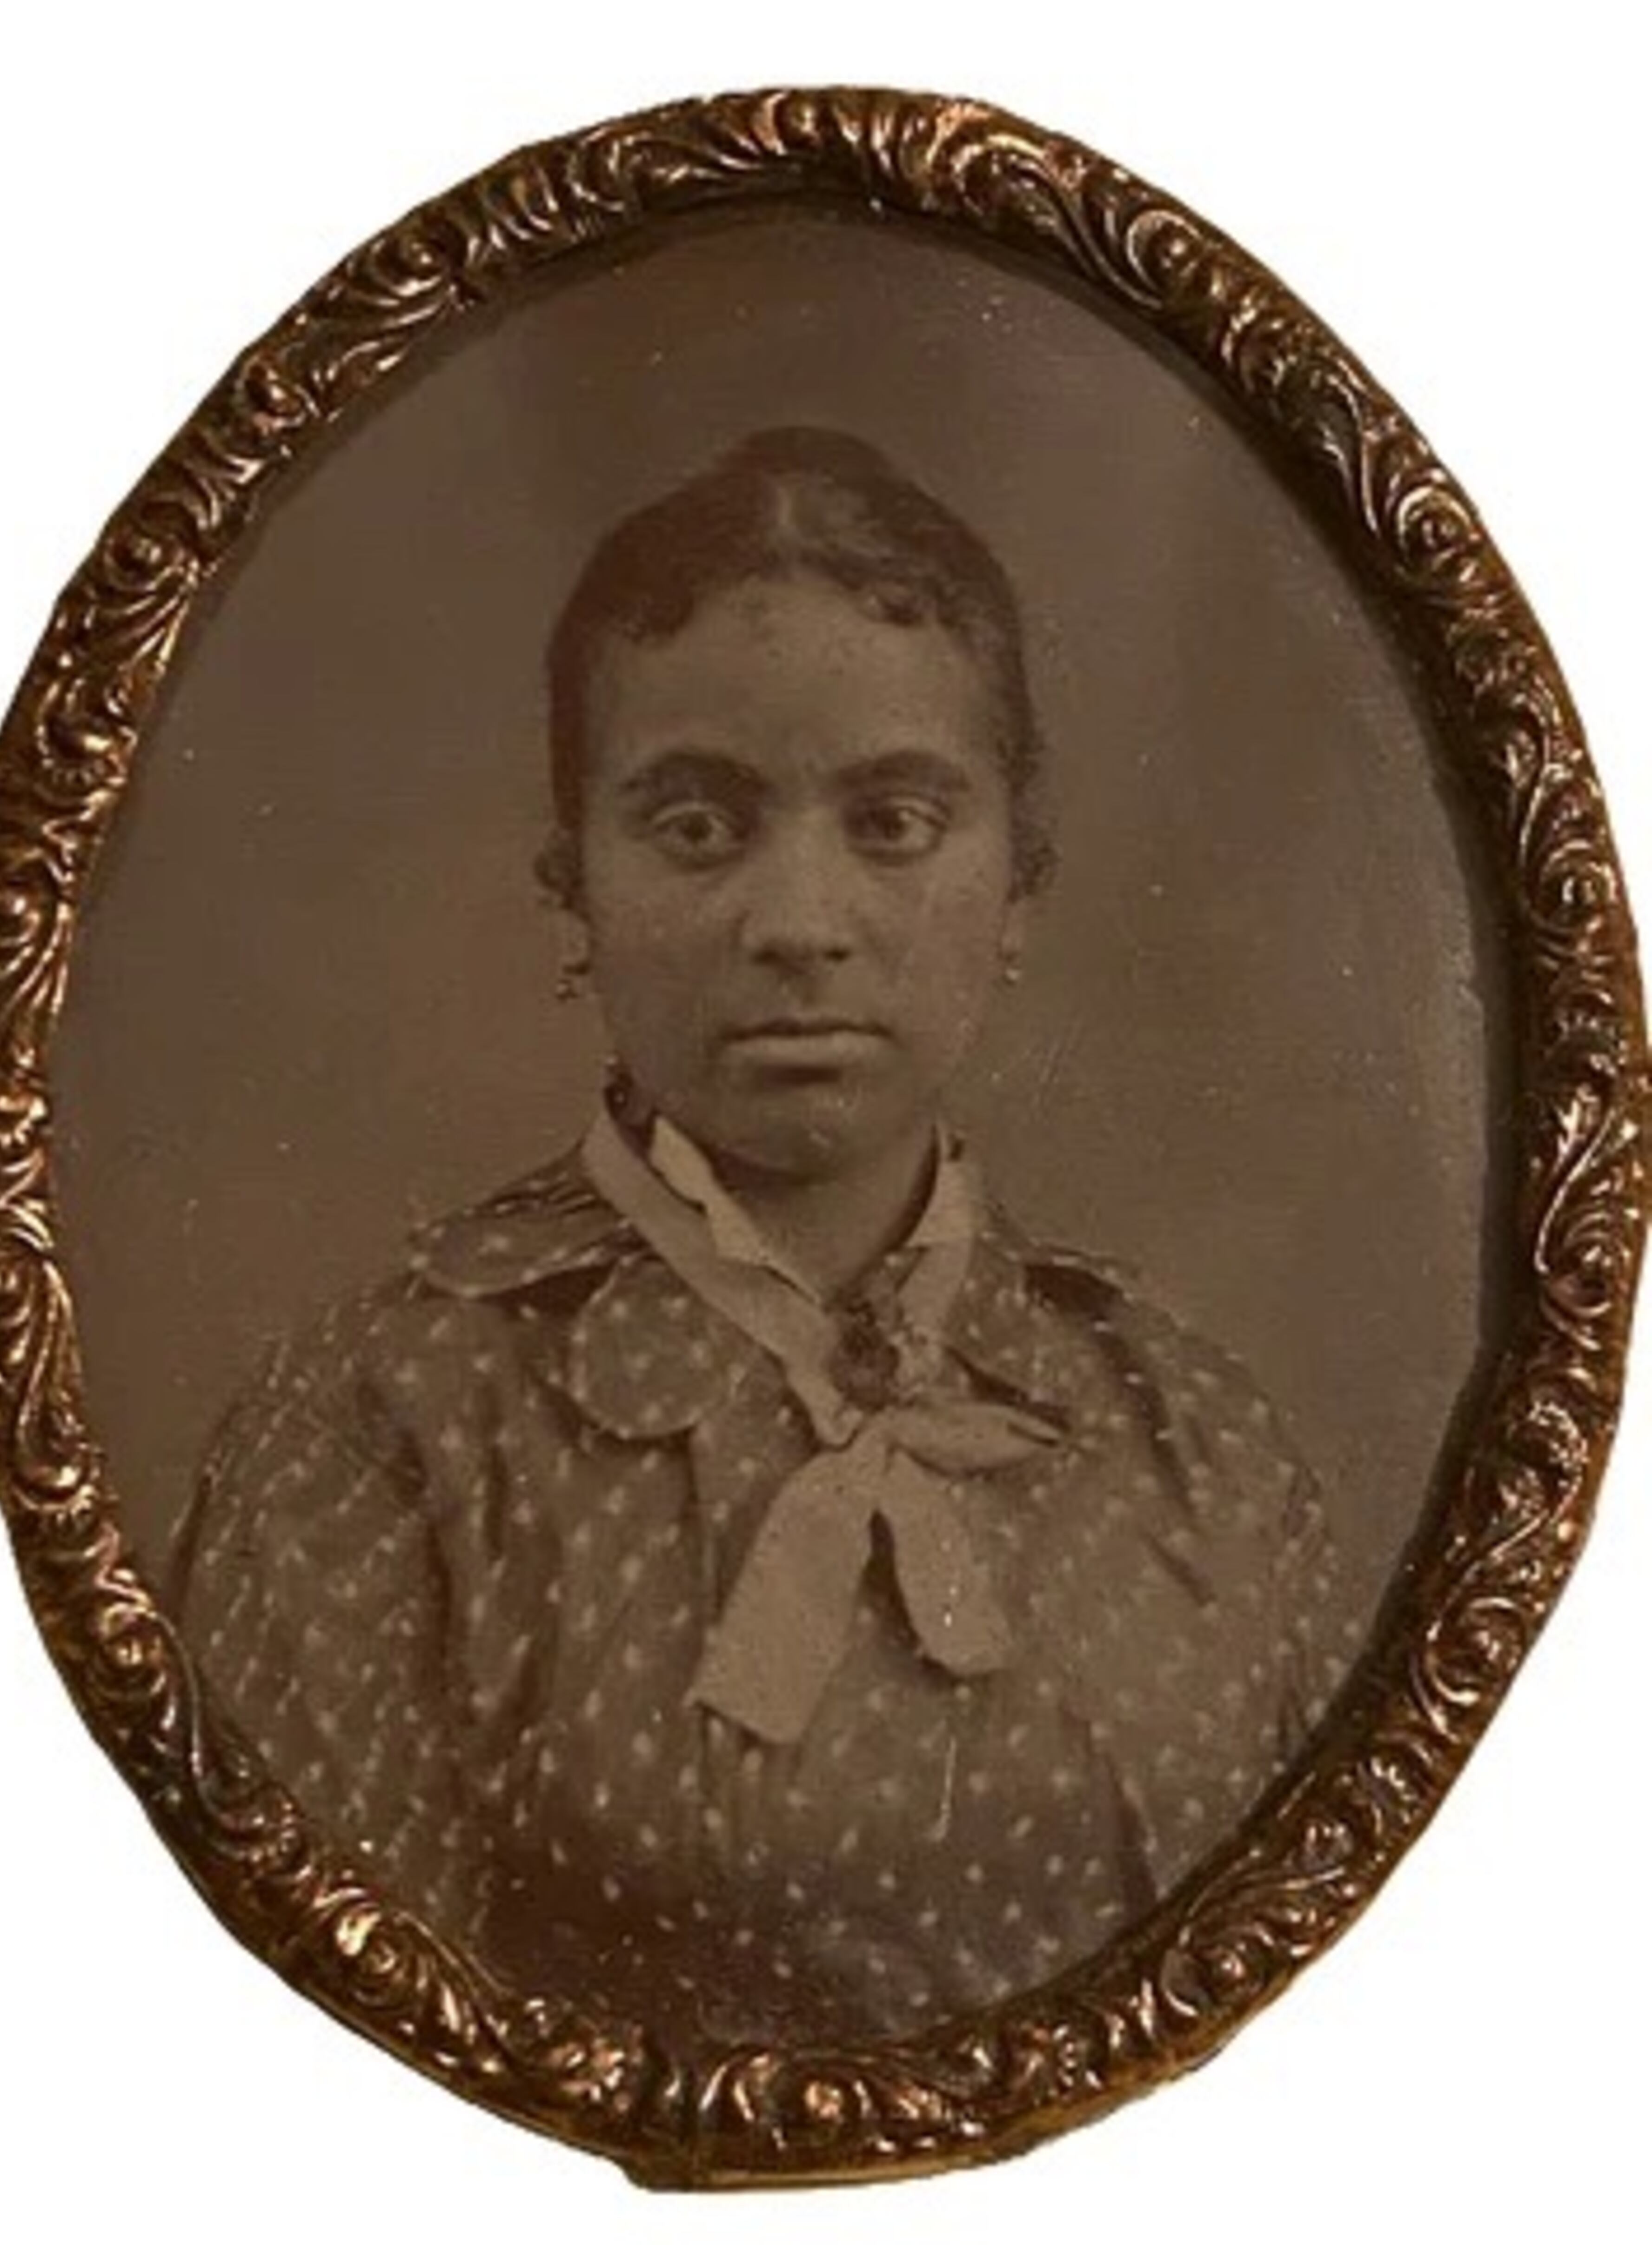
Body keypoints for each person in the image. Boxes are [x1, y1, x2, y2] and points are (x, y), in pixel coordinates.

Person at [172, 428, 1344, 2054]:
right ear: (573, 887)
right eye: (698, 827)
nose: (799, 924)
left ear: (1020, 884)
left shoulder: (1198, 1444)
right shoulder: (384, 1433)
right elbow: (331, 2069)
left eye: (896, 822)